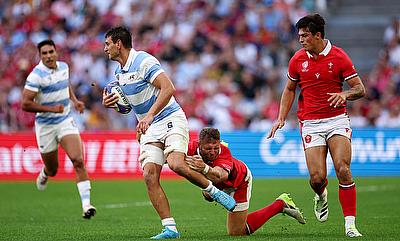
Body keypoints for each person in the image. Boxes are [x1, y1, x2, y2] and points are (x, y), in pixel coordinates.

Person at [102, 26, 236, 239]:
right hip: (149, 126)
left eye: (107, 44)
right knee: (149, 176)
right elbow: (129, 106)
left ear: (118, 43)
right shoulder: (119, 73)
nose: (105, 48)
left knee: (176, 164)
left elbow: (168, 88)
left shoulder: (144, 61)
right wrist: (113, 104)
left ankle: (215, 192)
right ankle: (170, 228)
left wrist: (149, 116)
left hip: (169, 118)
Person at [267, 14, 366, 237]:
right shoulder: (297, 60)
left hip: (337, 120)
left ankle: (350, 225)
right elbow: (290, 89)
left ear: (318, 35)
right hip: (310, 123)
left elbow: (360, 89)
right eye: (299, 36)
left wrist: (344, 94)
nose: (300, 40)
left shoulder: (339, 57)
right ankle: (321, 195)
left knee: (343, 168)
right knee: (317, 178)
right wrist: (281, 117)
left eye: (305, 36)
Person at [22, 39, 96, 219]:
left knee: (78, 160)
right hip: (46, 125)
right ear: (40, 56)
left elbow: (65, 84)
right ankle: (45, 172)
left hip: (65, 120)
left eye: (51, 52)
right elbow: (25, 103)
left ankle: (86, 205)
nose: (48, 56)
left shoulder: (63, 67)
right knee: (53, 169)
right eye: (44, 53)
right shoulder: (36, 76)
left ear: (56, 52)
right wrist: (51, 109)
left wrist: (75, 100)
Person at [185, 127, 305, 236]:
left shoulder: (224, 152)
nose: (213, 152)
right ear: (199, 144)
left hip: (240, 182)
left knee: (237, 232)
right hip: (217, 184)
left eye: (216, 148)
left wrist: (204, 169)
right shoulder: (190, 148)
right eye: (208, 148)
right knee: (208, 196)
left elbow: (221, 176)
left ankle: (280, 204)